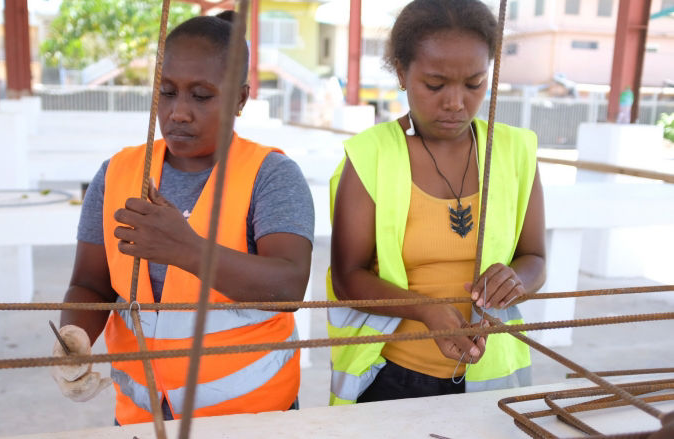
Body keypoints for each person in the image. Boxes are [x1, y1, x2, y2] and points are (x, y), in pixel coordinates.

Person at [51, 12, 314, 424]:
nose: (178, 112)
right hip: (142, 416)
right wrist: (75, 337)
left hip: (253, 415)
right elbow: (89, 283)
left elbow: (289, 284)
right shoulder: (119, 172)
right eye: (168, 92)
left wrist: (186, 249)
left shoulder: (272, 175)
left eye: (201, 95)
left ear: (241, 99)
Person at [328, 0, 545, 405]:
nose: (455, 102)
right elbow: (348, 278)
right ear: (401, 73)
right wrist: (425, 310)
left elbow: (535, 258)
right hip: (393, 378)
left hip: (495, 375)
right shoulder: (371, 155)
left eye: (474, 84)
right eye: (435, 84)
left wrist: (515, 280)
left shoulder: (514, 150)